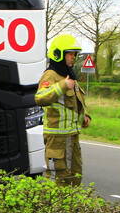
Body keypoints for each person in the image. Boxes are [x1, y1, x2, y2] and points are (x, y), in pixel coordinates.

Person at [35, 34, 91, 185]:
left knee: (74, 178)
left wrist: (84, 117)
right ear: (58, 54)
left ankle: (70, 209)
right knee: (56, 182)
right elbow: (40, 98)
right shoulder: (51, 75)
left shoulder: (68, 76)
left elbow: (73, 103)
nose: (73, 57)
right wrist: (62, 86)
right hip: (57, 141)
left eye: (74, 54)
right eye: (70, 54)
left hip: (72, 138)